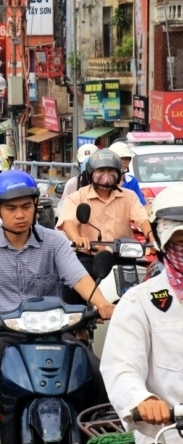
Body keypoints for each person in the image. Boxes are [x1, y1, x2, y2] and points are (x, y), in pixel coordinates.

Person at [0, 170, 115, 444]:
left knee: (99, 373)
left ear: (35, 206)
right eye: (11, 208)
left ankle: (102, 436)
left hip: (55, 331)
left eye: (26, 206)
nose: (20, 214)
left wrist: (101, 303)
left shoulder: (54, 241)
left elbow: (78, 277)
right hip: (5, 332)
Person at [100, 183, 183, 444]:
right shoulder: (139, 302)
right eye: (180, 241)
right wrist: (142, 400)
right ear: (162, 242)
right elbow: (121, 366)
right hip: (168, 433)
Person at [58, 149, 153, 289]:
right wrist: (77, 238)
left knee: (144, 284)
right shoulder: (77, 197)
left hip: (124, 256)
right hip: (90, 257)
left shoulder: (129, 196)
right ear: (91, 173)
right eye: (101, 170)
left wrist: (152, 238)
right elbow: (68, 223)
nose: (106, 175)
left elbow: (142, 218)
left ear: (119, 173)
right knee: (74, 286)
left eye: (111, 170)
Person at [108, 141, 147, 205]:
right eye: (121, 158)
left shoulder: (132, 181)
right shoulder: (103, 181)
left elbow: (141, 204)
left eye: (126, 159)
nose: (124, 162)